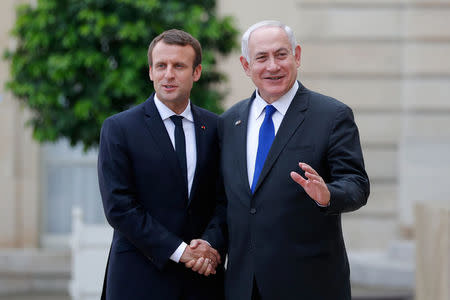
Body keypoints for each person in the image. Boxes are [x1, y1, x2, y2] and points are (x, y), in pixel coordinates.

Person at [219, 20, 370, 300]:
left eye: (281, 54)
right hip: (243, 286)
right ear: (245, 65)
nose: (272, 66)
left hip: (310, 284)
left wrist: (327, 195)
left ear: (297, 56)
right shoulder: (229, 122)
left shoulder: (332, 116)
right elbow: (225, 202)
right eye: (261, 58)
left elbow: (357, 185)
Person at [97, 29, 226, 300]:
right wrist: (181, 251)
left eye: (179, 66)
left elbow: (225, 199)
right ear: (150, 72)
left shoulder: (217, 128)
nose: (169, 74)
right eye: (161, 66)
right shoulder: (119, 128)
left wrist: (209, 244)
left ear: (197, 72)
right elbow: (119, 206)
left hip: (202, 280)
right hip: (139, 279)